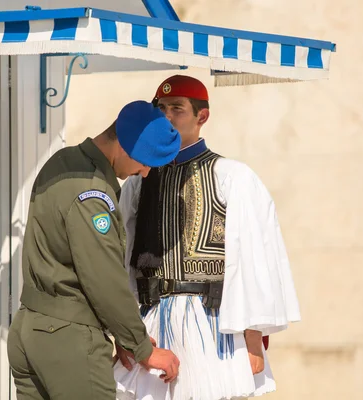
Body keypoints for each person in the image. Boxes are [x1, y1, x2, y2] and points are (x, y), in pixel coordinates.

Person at [114, 76, 301, 400]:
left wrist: (253, 337)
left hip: (209, 320)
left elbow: (254, 256)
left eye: (177, 109)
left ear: (202, 117)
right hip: (151, 319)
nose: (167, 116)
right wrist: (125, 331)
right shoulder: (139, 179)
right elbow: (121, 255)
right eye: (161, 108)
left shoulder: (231, 176)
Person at [7, 101, 182, 400]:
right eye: (146, 162)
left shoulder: (62, 162)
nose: (145, 172)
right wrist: (143, 348)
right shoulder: (93, 194)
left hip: (29, 330)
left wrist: (124, 337)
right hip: (67, 343)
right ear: (127, 147)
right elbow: (104, 281)